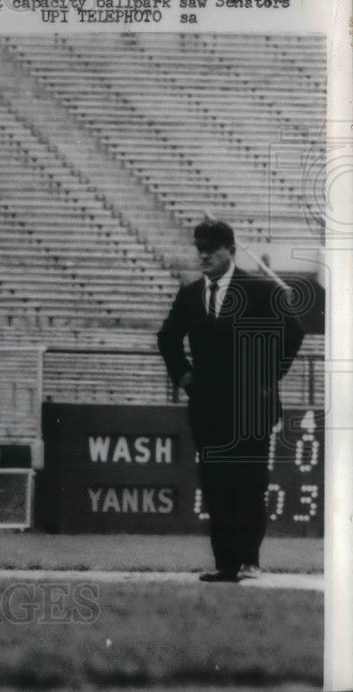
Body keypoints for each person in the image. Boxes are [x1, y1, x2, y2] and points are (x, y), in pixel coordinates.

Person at [158, 220, 303, 583]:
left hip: (252, 405)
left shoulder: (261, 289)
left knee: (249, 482)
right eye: (200, 249)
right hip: (208, 406)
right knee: (216, 483)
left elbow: (294, 333)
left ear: (231, 251)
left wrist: (268, 376)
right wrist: (184, 375)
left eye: (212, 249)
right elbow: (167, 338)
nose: (204, 255)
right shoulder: (191, 294)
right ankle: (226, 564)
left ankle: (249, 560)